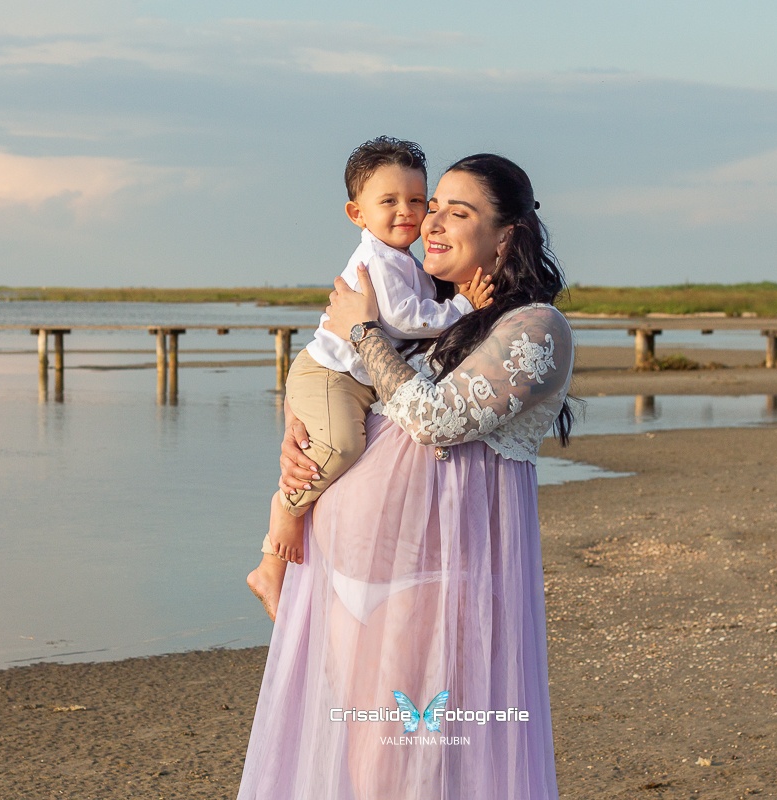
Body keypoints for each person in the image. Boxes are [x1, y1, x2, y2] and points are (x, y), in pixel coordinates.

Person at [237, 154, 573, 799]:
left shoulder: (533, 327)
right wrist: (295, 428)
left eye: (458, 210)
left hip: (435, 573)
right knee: (365, 747)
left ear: (507, 234)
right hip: (352, 567)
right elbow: (345, 380)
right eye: (434, 206)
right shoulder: (431, 310)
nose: (432, 221)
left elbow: (436, 420)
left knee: (408, 751)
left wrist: (363, 329)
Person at [246, 137, 493, 619]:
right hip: (332, 373)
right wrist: (463, 306)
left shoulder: (409, 263)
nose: (407, 212)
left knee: (340, 447)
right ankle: (285, 511)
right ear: (356, 214)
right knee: (341, 446)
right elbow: (401, 320)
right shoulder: (377, 261)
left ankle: (275, 565)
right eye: (389, 202)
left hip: (349, 376)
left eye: (417, 200)